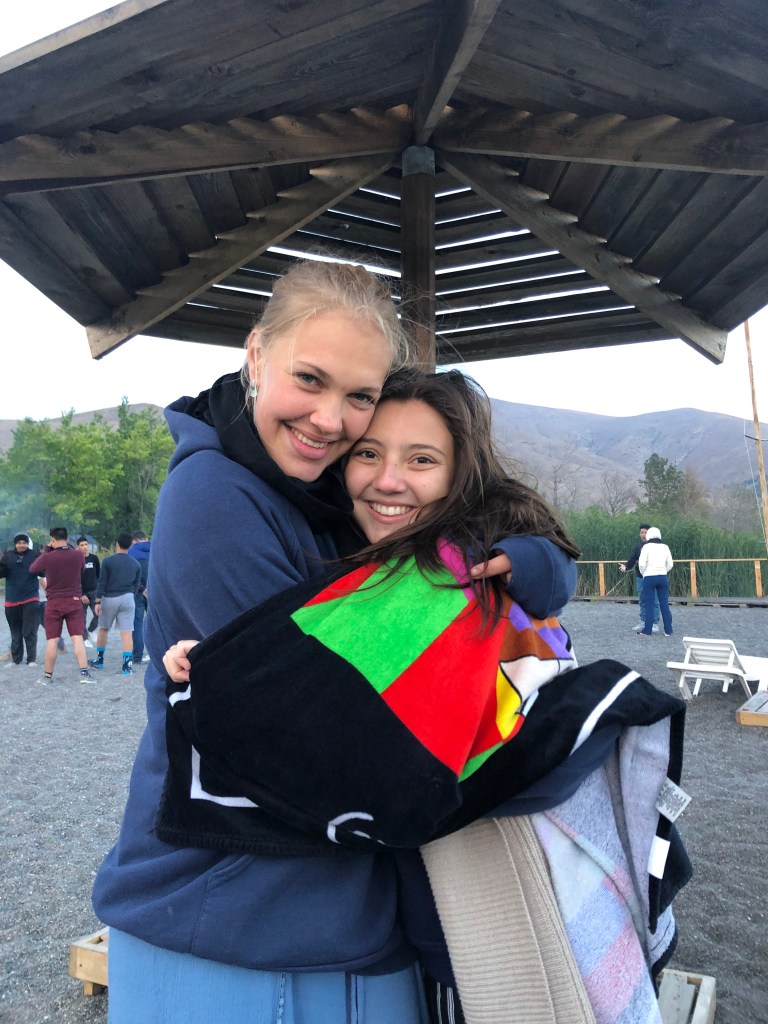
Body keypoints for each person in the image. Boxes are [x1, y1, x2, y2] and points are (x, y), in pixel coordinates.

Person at [92, 259, 576, 1024]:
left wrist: (536, 562)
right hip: (232, 920)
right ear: (257, 354)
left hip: (355, 921)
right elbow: (319, 718)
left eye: (359, 397)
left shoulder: (335, 498)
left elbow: (479, 527)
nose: (329, 420)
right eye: (310, 379)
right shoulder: (218, 493)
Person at [161, 371, 687, 1024]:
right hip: (453, 906)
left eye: (421, 460)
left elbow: (320, 690)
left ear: (461, 474)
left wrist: (227, 678)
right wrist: (217, 659)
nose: (388, 480)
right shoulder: (378, 556)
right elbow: (329, 649)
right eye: (368, 453)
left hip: (497, 900)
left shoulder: (451, 570)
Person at [28, 527, 93, 684]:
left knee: (53, 640)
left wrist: (47, 550)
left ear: (52, 539)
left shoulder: (48, 557)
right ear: (68, 538)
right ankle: (84, 674)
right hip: (74, 601)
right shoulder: (78, 555)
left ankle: (47, 676)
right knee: (77, 637)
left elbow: (33, 568)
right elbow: (82, 569)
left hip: (54, 602)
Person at [89, 533, 141, 676]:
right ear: (130, 545)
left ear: (117, 544)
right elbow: (137, 584)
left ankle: (99, 661)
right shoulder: (135, 563)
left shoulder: (108, 561)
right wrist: (131, 595)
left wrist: (97, 601)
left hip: (110, 598)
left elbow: (102, 582)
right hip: (128, 598)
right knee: (127, 633)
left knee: (103, 629)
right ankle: (127, 666)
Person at [0, 533, 41, 667]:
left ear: (28, 544)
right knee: (15, 632)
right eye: (19, 543)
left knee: (29, 631)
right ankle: (16, 659)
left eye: (24, 542)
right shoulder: (8, 556)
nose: (21, 545)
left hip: (30, 598)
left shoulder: (34, 555)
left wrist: (41, 558)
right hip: (11, 599)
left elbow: (42, 573)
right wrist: (1, 563)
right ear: (15, 544)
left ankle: (31, 659)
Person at [619, 522, 660, 632]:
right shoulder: (638, 547)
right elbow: (632, 559)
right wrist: (625, 566)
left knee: (654, 600)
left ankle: (654, 623)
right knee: (643, 600)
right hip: (641, 577)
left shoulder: (657, 546)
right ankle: (643, 621)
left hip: (654, 576)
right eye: (641, 532)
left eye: (645, 533)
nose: (643, 535)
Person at [638, 526, 674, 637]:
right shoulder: (665, 547)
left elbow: (641, 564)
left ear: (649, 535)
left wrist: (645, 573)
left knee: (649, 604)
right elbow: (670, 564)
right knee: (664, 603)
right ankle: (668, 630)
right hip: (662, 577)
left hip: (649, 577)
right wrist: (663, 571)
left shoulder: (646, 547)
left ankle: (647, 630)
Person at [129, 531, 151, 664]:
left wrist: (142, 589)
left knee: (137, 624)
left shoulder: (131, 552)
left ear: (134, 541)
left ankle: (137, 656)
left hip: (138, 592)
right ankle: (157, 654)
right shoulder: (156, 549)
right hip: (154, 592)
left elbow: (132, 574)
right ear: (146, 538)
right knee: (155, 624)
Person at [77, 536, 100, 647]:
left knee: (99, 614)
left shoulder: (94, 558)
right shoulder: (76, 560)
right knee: (82, 618)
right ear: (78, 547)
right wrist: (82, 594)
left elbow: (99, 575)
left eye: (86, 544)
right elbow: (75, 579)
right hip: (82, 594)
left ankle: (91, 630)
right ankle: (85, 638)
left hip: (94, 591)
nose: (84, 547)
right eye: (82, 545)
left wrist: (100, 592)